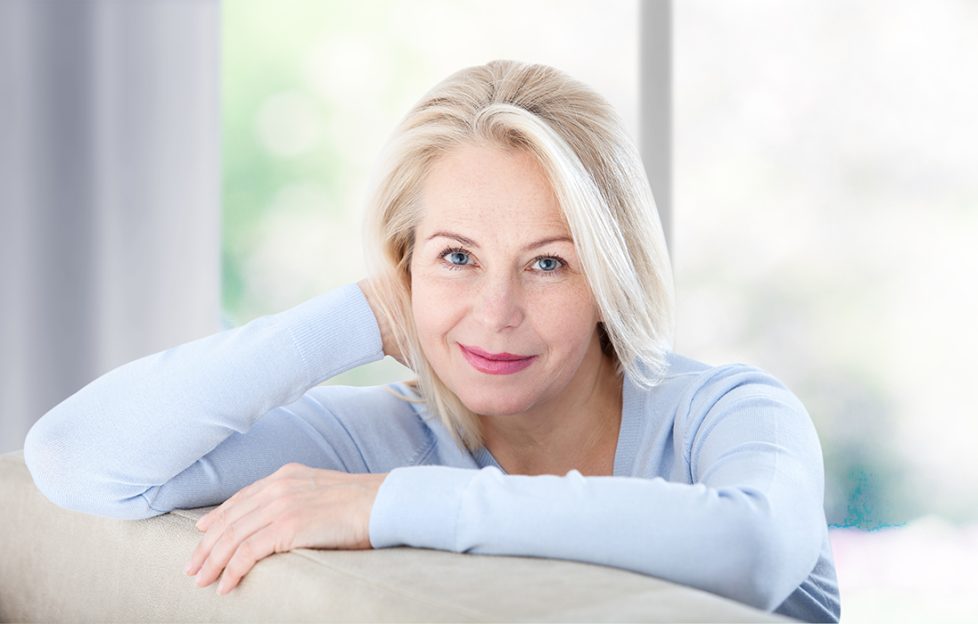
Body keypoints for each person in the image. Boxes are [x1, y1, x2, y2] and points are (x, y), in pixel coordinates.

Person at [24, 60, 841, 622]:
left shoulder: (732, 412)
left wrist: (386, 504)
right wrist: (363, 315)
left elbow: (752, 550)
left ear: (610, 279)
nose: (496, 311)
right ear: (406, 259)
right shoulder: (376, 437)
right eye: (456, 257)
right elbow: (77, 459)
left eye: (548, 264)